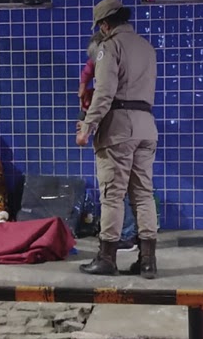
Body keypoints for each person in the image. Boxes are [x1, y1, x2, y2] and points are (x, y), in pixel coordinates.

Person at [76, 0, 159, 279]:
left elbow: (104, 93)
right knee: (143, 194)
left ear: (105, 24)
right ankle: (148, 260)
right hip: (146, 125)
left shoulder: (109, 47)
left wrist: (88, 126)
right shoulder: (147, 48)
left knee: (112, 195)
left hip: (119, 129)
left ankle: (107, 258)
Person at [78, 31, 140, 252]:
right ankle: (132, 235)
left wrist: (86, 125)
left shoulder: (113, 66)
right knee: (129, 188)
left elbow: (105, 98)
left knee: (116, 189)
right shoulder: (132, 57)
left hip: (121, 132)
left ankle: (126, 236)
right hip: (137, 128)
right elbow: (89, 69)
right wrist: (84, 86)